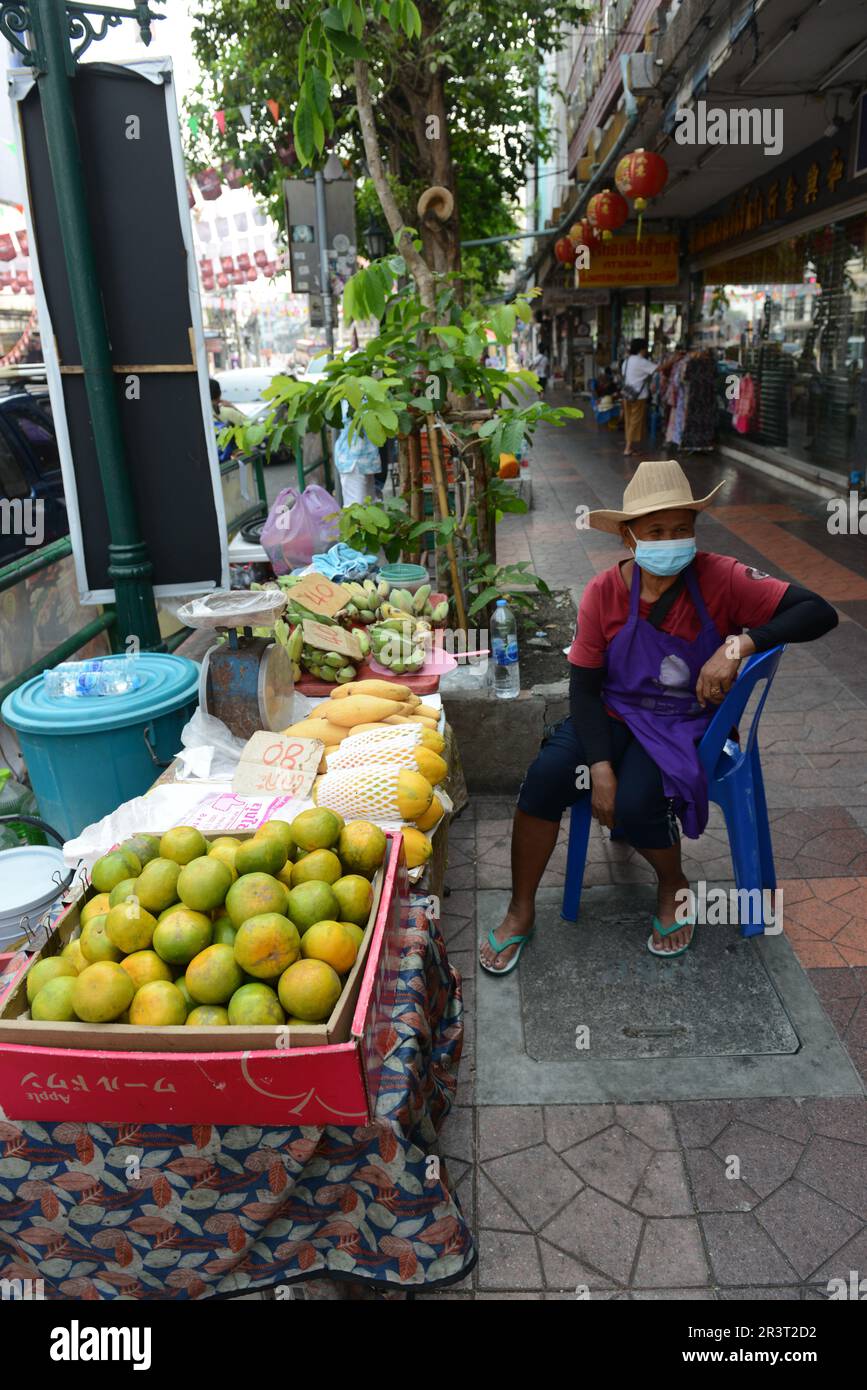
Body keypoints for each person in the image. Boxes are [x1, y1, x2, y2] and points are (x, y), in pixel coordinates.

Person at [479, 458, 838, 975]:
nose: (671, 540)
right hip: (613, 712)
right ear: (629, 537)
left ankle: (673, 884)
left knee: (639, 800)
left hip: (687, 720)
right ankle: (520, 909)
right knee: (547, 776)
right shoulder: (604, 592)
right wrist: (598, 764)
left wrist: (741, 642)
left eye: (681, 529)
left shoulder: (723, 577)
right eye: (656, 531)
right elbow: (583, 686)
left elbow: (817, 611)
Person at [333, 401, 382, 506]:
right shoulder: (351, 395)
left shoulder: (366, 392)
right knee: (355, 508)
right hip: (352, 460)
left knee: (369, 505)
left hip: (366, 460)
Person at [621, 338, 657, 457]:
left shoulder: (627, 361)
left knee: (629, 421)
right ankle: (628, 448)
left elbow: (623, 374)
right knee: (635, 422)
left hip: (627, 394)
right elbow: (658, 368)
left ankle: (631, 447)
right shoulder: (641, 361)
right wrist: (673, 360)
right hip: (638, 396)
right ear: (642, 348)